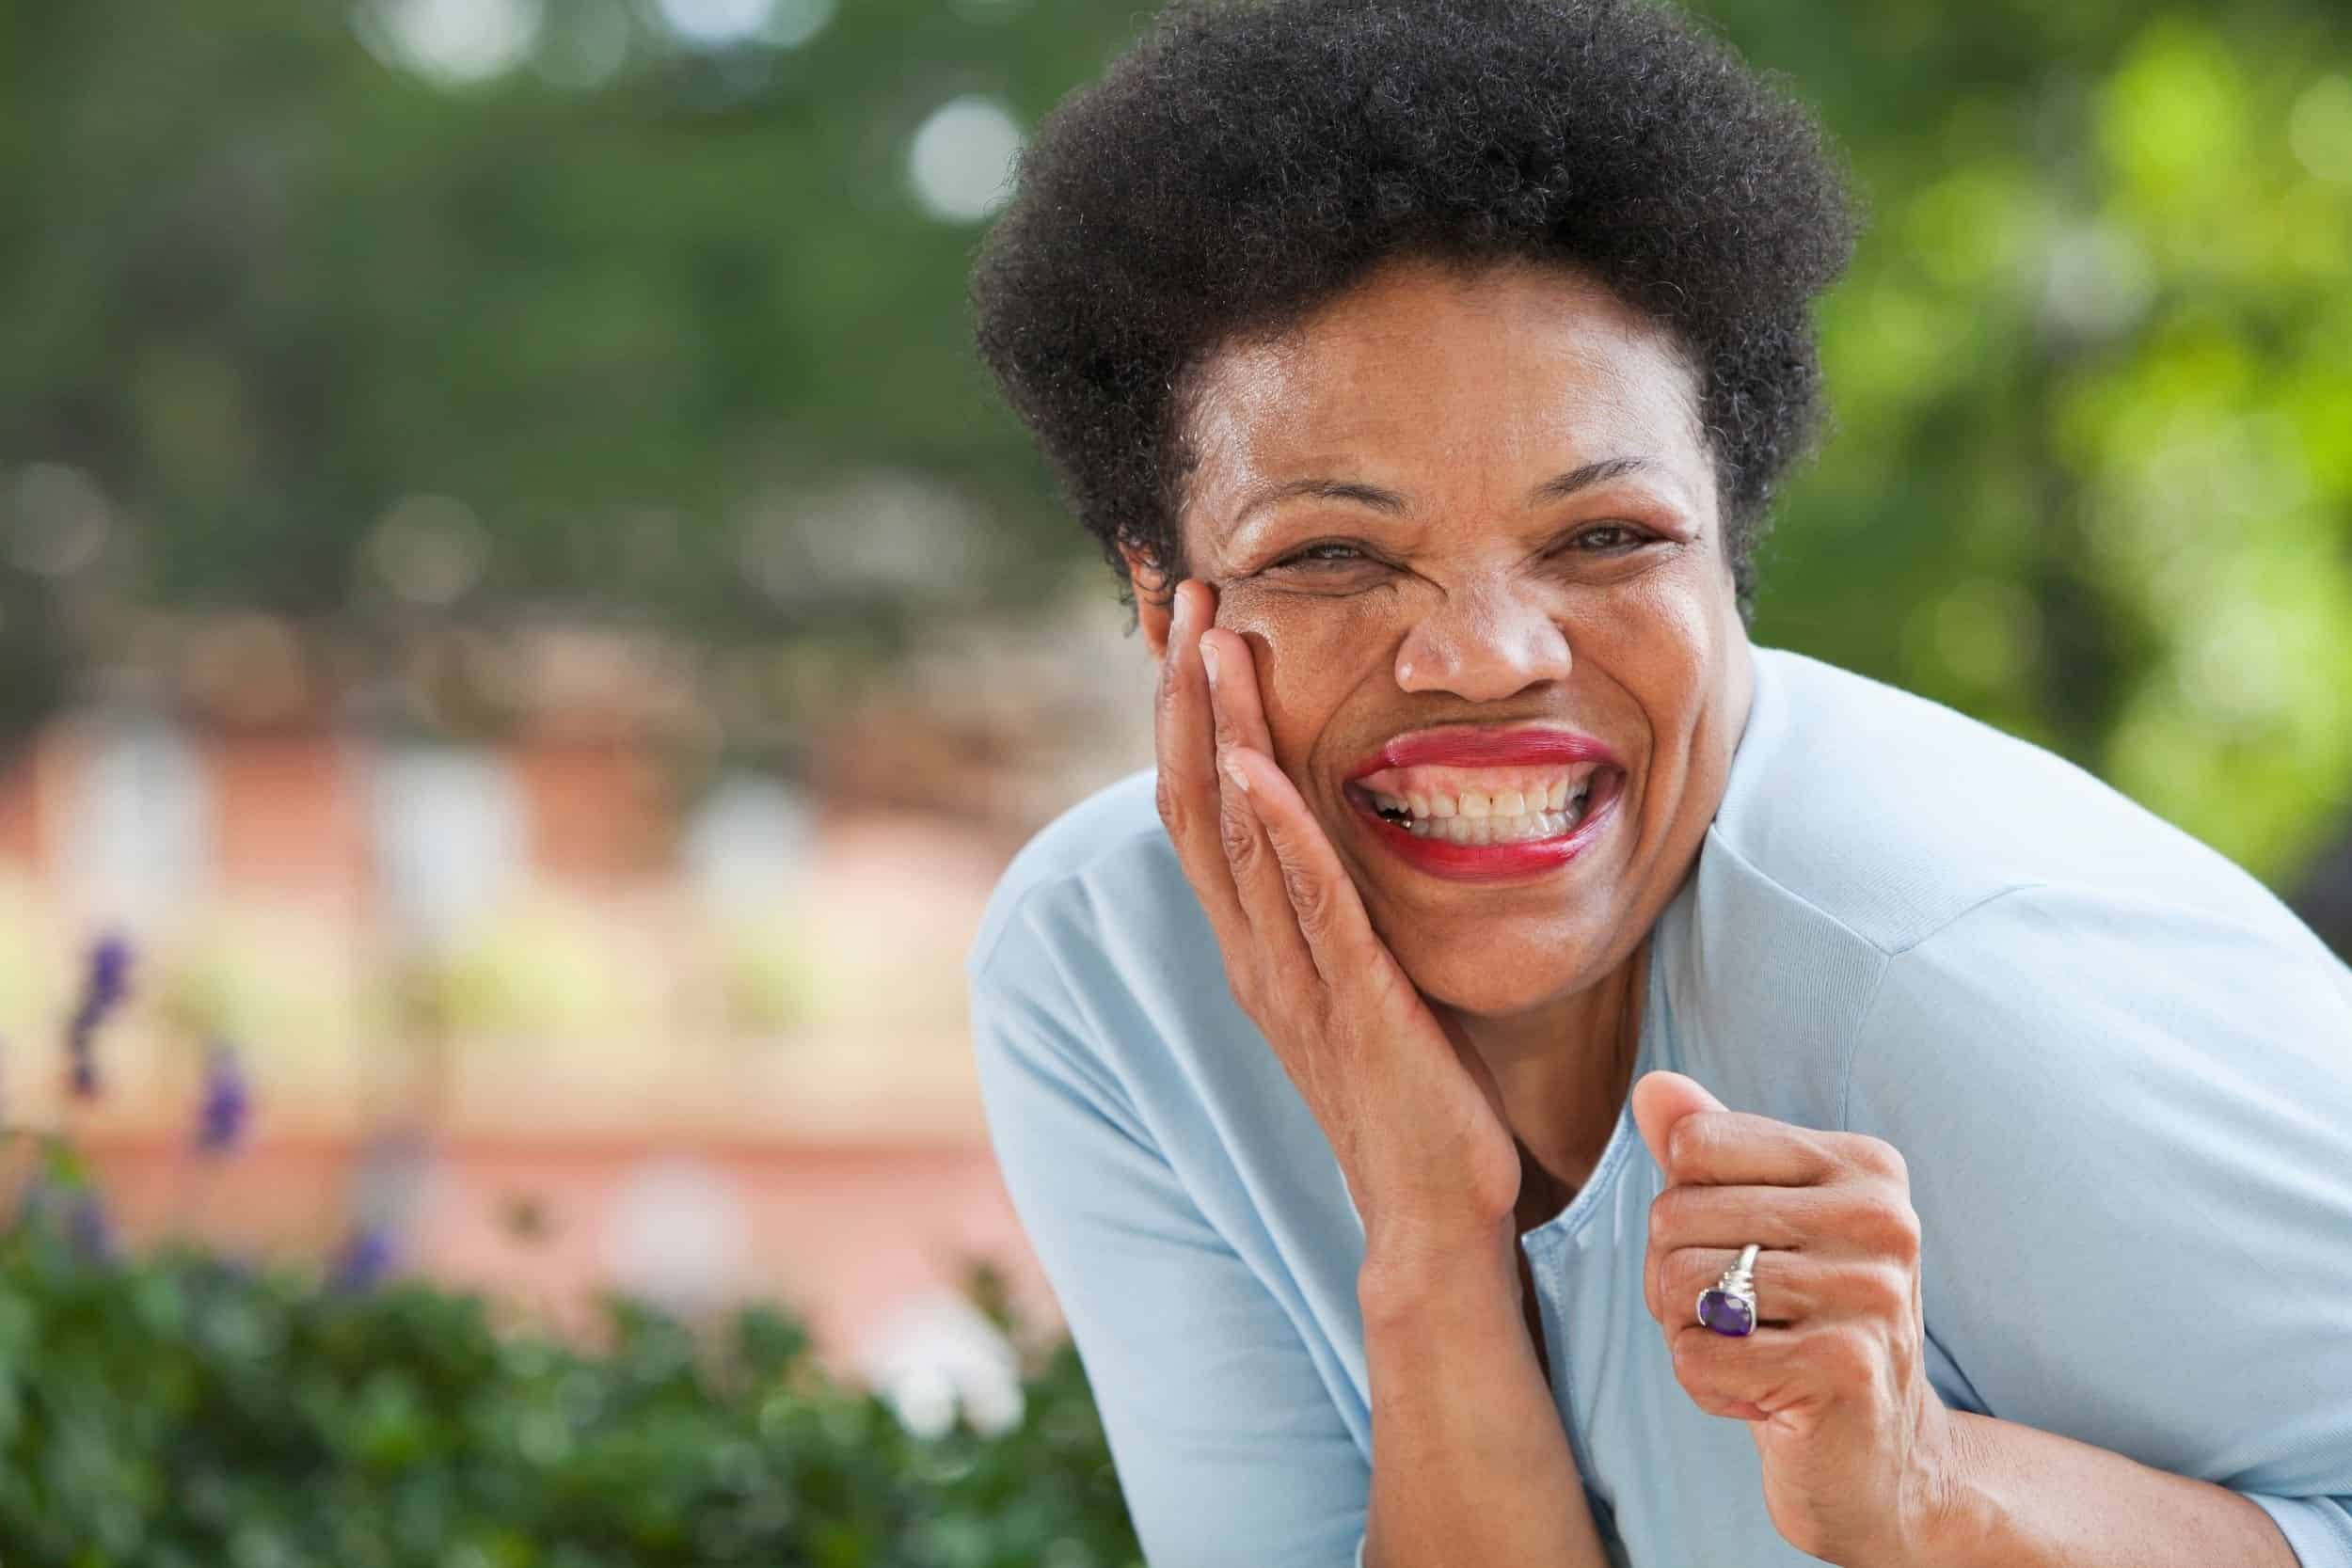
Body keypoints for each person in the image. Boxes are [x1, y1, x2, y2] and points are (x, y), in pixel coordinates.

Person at [962, 1, 2352, 1563]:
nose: (1485, 657)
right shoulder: (1109, 983)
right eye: (1336, 553)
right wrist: (1432, 1246)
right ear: (1165, 605)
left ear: (1730, 567)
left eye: (1605, 537)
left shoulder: (1955, 986)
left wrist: (1935, 1497)